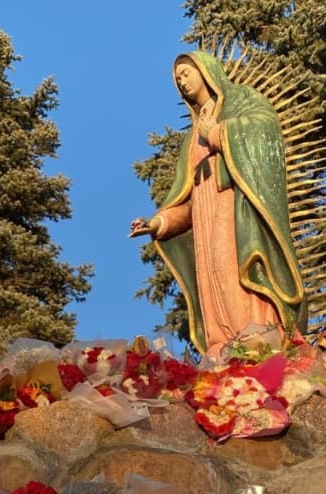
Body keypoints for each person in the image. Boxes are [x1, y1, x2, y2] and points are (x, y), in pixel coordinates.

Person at [130, 51, 307, 359]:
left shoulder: (241, 100)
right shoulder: (191, 138)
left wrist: (215, 133)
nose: (182, 81)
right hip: (204, 216)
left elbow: (265, 129)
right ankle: (222, 347)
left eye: (186, 73)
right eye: (177, 78)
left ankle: (258, 339)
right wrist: (158, 223)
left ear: (205, 69)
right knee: (212, 281)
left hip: (235, 209)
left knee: (232, 273)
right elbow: (187, 201)